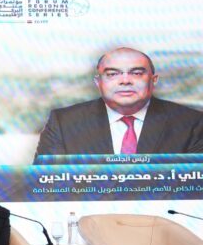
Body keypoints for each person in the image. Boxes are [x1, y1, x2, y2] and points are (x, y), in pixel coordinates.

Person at [34, 47, 203, 162]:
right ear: (98, 82)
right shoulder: (64, 123)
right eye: (112, 74)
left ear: (153, 80)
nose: (125, 81)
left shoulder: (192, 123)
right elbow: (44, 185)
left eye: (136, 73)